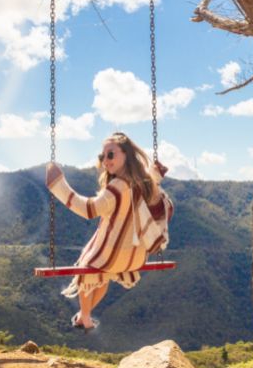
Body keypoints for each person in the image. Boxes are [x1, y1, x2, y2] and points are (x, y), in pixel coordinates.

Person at [45, 132, 172, 332]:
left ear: (126, 155)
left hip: (112, 256)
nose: (105, 160)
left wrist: (58, 187)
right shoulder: (145, 183)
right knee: (103, 275)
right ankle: (83, 317)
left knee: (88, 266)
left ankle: (85, 316)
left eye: (110, 155)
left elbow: (88, 209)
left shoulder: (117, 187)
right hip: (136, 258)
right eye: (102, 156)